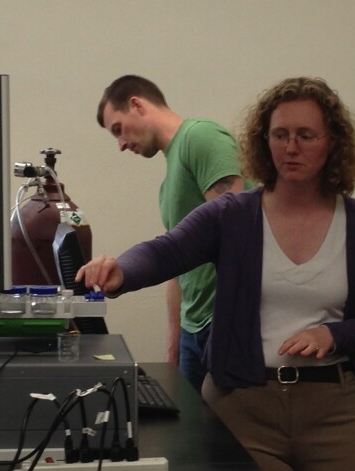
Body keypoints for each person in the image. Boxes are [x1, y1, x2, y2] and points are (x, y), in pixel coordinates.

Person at [78, 77, 355, 471]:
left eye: (306, 135)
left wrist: (333, 334)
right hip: (244, 406)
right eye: (279, 134)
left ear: (332, 142)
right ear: (264, 140)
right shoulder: (231, 215)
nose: (291, 147)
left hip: (334, 407)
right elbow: (167, 250)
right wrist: (121, 271)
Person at [96, 75, 246, 390]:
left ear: (136, 104)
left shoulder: (200, 137)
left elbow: (237, 233)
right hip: (194, 330)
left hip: (222, 323)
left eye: (118, 129)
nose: (121, 144)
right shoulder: (168, 186)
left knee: (225, 437)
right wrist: (174, 342)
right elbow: (176, 264)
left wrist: (230, 330)